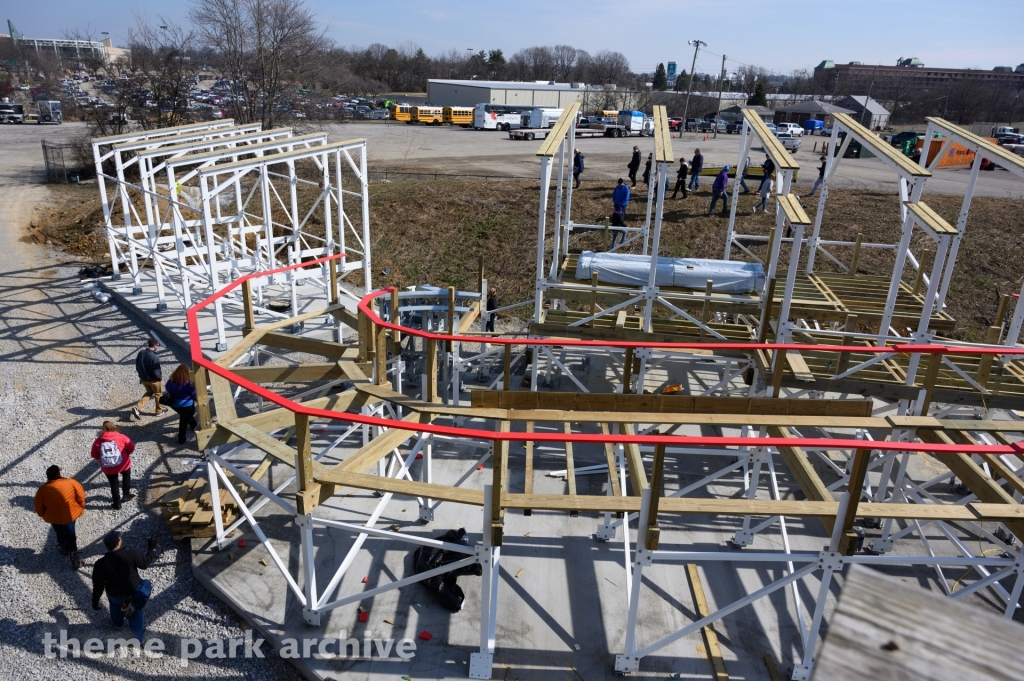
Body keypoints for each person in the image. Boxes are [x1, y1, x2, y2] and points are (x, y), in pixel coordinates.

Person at [92, 530, 158, 642]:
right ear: (119, 543)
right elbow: (145, 563)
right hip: (132, 592)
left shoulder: (100, 564)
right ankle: (139, 639)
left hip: (114, 594)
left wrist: (95, 601)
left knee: (115, 608)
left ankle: (118, 624)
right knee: (135, 615)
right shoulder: (130, 554)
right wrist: (151, 549)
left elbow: (98, 586)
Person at [34, 465, 86, 569]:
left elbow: (38, 506)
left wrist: (43, 515)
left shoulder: (42, 490)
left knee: (59, 532)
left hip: (54, 518)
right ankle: (74, 558)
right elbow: (81, 496)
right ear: (59, 474)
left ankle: (63, 547)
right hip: (70, 516)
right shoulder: (71, 483)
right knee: (71, 535)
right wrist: (80, 507)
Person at [90, 422, 135, 510]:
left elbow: (94, 454)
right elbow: (131, 446)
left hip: (108, 467)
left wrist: (101, 458)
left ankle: (117, 504)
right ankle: (126, 494)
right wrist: (127, 454)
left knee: (113, 484)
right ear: (113, 427)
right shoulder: (121, 436)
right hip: (123, 463)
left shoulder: (98, 441)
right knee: (126, 476)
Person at [165, 365, 199, 445]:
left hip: (174, 404)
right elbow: (193, 394)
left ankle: (194, 425)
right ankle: (181, 439)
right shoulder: (188, 382)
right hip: (187, 405)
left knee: (185, 416)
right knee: (183, 421)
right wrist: (198, 400)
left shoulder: (172, 379)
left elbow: (167, 388)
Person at [132, 338, 163, 420]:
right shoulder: (154, 357)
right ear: (154, 345)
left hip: (144, 379)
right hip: (154, 380)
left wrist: (141, 375)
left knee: (149, 392)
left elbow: (137, 366)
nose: (158, 347)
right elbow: (157, 371)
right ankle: (159, 411)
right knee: (158, 394)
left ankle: (137, 408)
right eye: (158, 345)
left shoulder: (141, 353)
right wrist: (159, 378)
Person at [610, 179, 630, 249]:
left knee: (621, 215)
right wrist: (614, 200)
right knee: (617, 215)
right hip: (616, 203)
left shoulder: (625, 188)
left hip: (622, 204)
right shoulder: (617, 187)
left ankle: (621, 223)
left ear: (622, 183)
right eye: (618, 184)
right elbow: (614, 193)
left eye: (620, 184)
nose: (619, 185)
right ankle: (620, 224)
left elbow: (626, 197)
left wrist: (623, 203)